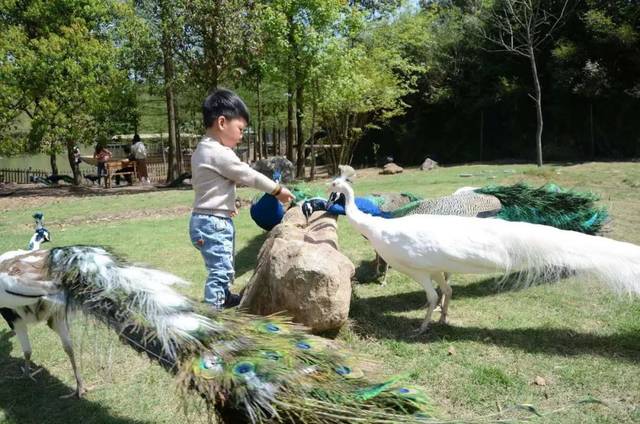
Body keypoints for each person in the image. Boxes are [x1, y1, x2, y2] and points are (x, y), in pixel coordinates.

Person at [190, 88, 294, 309]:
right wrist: (277, 190)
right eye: (240, 128)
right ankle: (213, 315)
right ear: (221, 123)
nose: (241, 134)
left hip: (206, 219)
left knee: (223, 264)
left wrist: (228, 205)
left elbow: (210, 186)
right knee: (221, 271)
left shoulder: (202, 149)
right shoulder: (219, 152)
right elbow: (248, 175)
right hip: (213, 223)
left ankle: (224, 298)